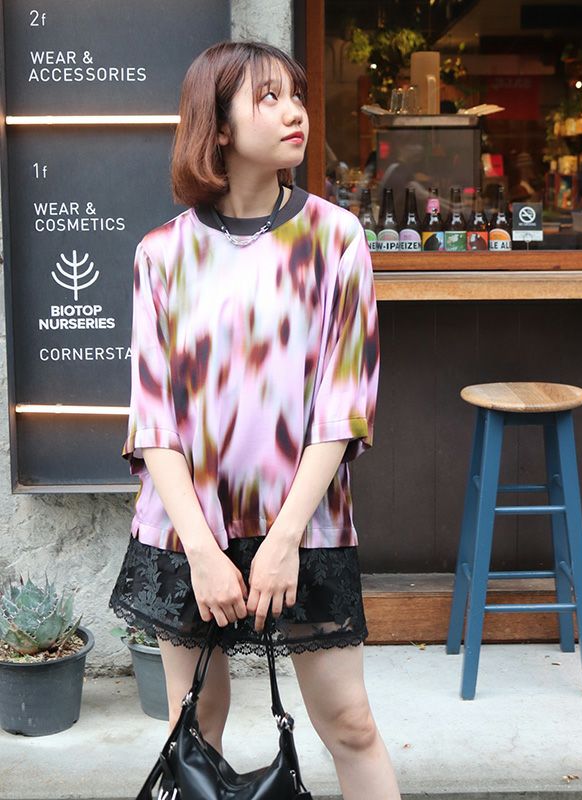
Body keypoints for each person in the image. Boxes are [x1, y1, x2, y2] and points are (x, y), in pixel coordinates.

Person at [109, 40, 401, 800]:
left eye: (295, 95)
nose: (294, 111)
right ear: (218, 125)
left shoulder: (335, 238)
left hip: (303, 525)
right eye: (268, 98)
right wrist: (205, 553)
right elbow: (153, 421)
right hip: (188, 531)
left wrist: (283, 540)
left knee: (350, 724)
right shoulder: (161, 254)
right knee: (195, 731)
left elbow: (343, 407)